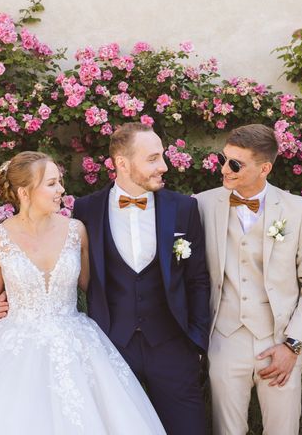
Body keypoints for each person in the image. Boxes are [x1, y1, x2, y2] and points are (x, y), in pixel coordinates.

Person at [0, 151, 166, 434]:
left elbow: (95, 289)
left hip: (75, 344)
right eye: (52, 183)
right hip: (14, 344)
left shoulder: (77, 231)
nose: (61, 189)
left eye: (59, 182)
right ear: (25, 192)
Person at [72, 123, 211, 435]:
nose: (163, 166)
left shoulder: (183, 207)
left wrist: (196, 342)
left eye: (161, 157)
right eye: (152, 159)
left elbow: (198, 279)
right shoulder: (86, 209)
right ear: (122, 163)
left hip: (173, 346)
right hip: (112, 346)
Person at [195, 124, 302, 435]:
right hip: (225, 339)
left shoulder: (297, 210)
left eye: (235, 164)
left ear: (265, 168)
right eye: (223, 159)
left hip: (279, 339)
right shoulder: (201, 204)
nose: (224, 169)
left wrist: (293, 345)